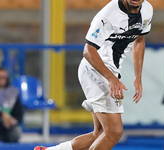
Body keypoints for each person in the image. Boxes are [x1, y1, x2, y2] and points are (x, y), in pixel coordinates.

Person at [35, 0, 153, 149]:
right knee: (114, 132)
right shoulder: (109, 14)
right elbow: (88, 50)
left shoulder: (147, 10)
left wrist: (137, 77)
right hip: (95, 70)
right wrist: (111, 79)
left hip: (110, 72)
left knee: (100, 134)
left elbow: (139, 41)